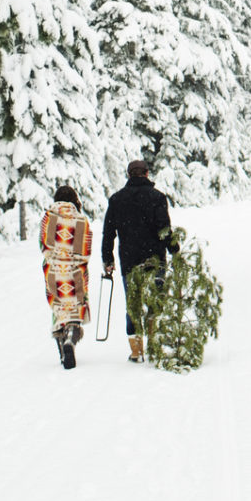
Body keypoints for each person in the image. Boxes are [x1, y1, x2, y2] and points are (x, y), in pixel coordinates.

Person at [103, 158, 180, 363]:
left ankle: (137, 350)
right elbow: (164, 229)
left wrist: (107, 259)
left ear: (129, 175)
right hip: (155, 258)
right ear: (147, 174)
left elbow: (108, 233)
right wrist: (175, 250)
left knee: (133, 303)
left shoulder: (117, 200)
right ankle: (155, 343)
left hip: (129, 261)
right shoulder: (157, 197)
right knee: (156, 300)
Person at [39, 185, 93, 370]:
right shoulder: (81, 219)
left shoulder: (49, 217)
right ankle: (72, 335)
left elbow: (44, 245)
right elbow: (85, 250)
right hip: (75, 270)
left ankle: (63, 348)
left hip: (54, 270)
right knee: (75, 307)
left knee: (59, 307)